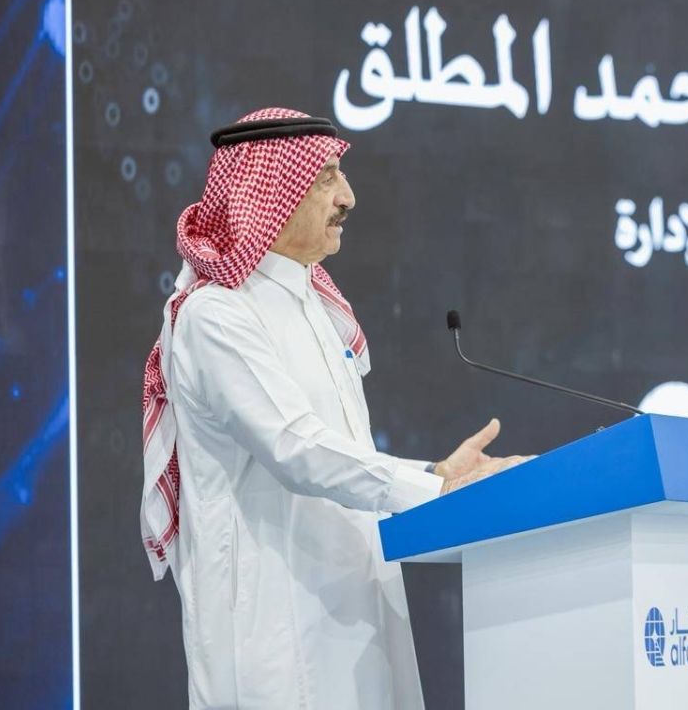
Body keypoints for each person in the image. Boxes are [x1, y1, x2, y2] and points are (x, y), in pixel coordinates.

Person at [140, 107, 525, 709]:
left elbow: (339, 453)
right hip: (275, 634)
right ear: (268, 190)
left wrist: (435, 478)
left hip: (356, 616)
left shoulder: (316, 306)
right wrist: (434, 486)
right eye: (326, 177)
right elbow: (296, 447)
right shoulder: (216, 316)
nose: (348, 196)